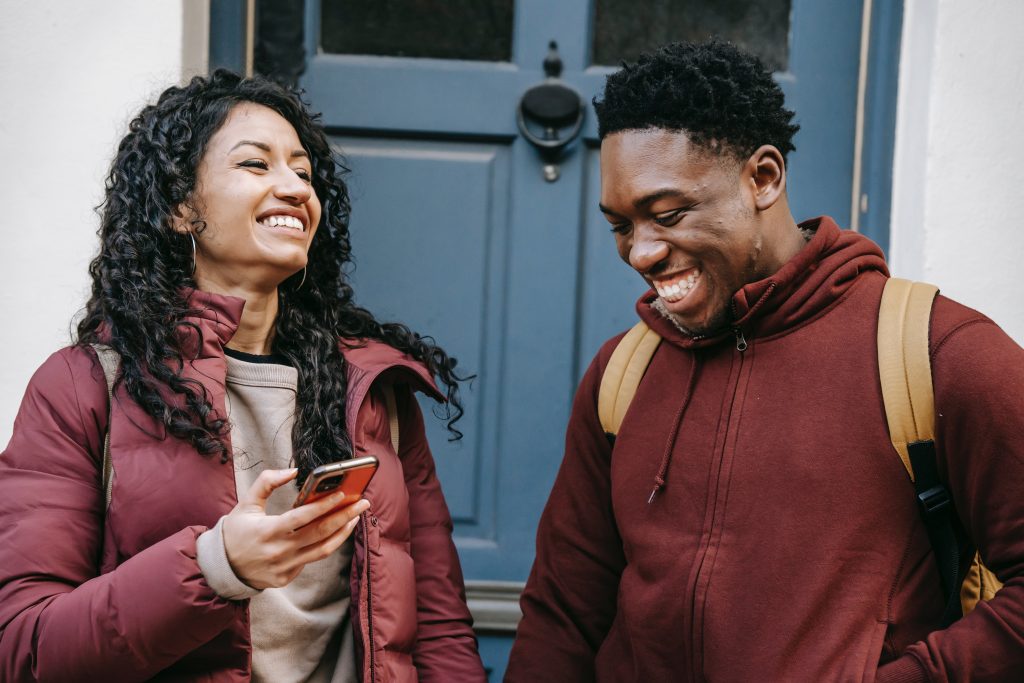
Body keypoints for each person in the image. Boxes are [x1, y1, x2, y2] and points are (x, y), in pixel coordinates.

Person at [505, 40, 1024, 682]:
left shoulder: (939, 352)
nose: (639, 253)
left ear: (763, 178)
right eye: (620, 224)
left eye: (668, 214)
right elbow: (563, 614)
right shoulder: (623, 372)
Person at [0, 70, 486, 682]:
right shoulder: (84, 386)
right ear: (181, 209)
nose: (293, 189)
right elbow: (23, 645)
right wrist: (216, 566)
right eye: (255, 166)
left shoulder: (371, 388)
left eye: (303, 173)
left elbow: (438, 628)